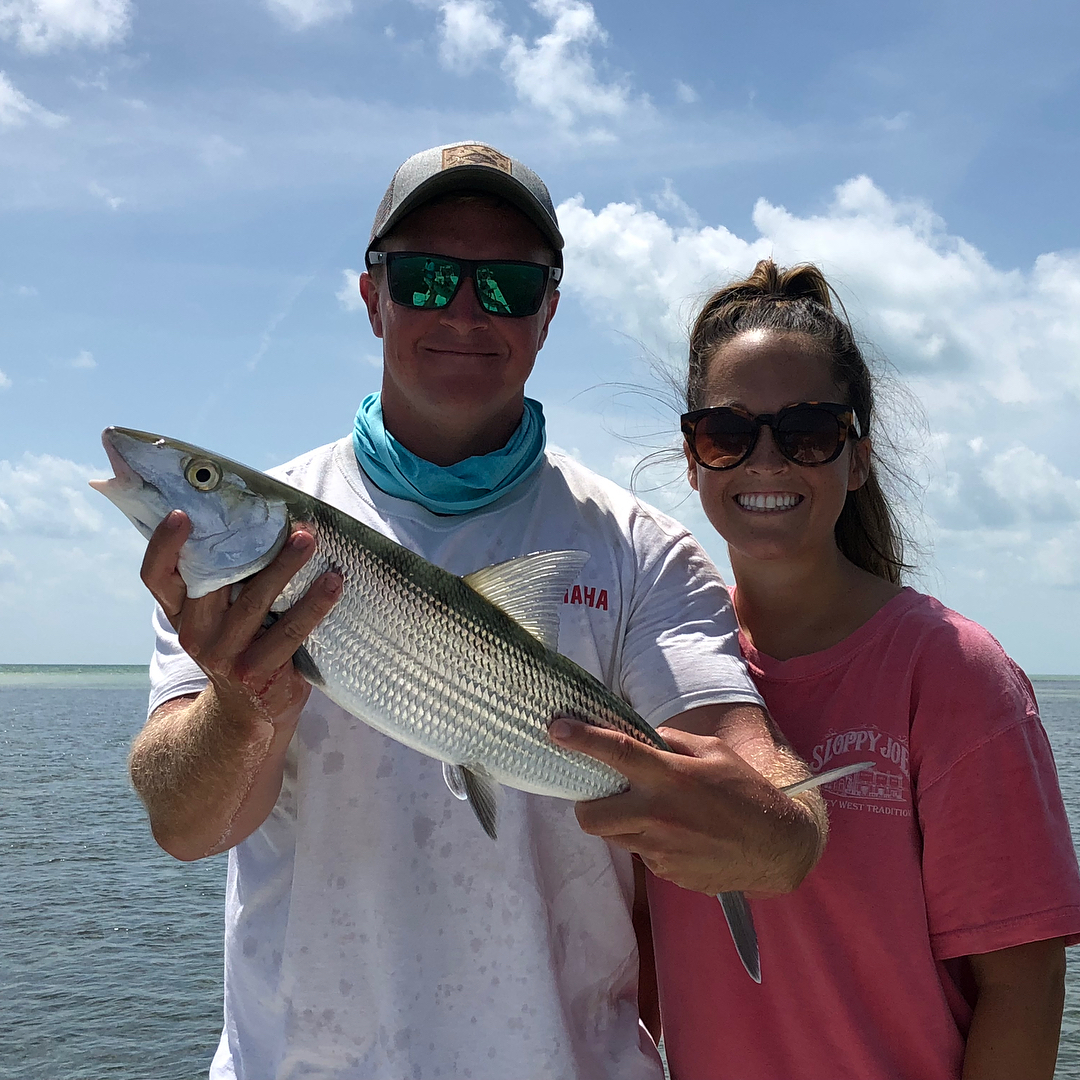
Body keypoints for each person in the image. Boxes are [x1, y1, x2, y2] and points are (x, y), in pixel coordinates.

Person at [129, 144, 827, 1080]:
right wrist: (241, 707)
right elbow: (188, 829)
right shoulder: (254, 546)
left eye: (505, 285)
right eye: (424, 278)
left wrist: (781, 834)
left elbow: (756, 778)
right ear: (374, 296)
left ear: (547, 313)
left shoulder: (639, 547)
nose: (462, 310)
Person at [648, 257, 1080, 1080]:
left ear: (861, 455)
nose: (765, 461)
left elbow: (1023, 985)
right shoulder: (660, 664)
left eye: (808, 430)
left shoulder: (954, 675)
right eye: (728, 432)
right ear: (693, 455)